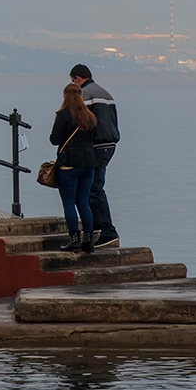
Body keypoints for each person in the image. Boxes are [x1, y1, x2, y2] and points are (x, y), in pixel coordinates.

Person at [70, 64, 120, 248]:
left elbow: (82, 123)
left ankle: (107, 231)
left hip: (96, 145)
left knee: (94, 188)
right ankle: (98, 227)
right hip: (110, 143)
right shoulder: (106, 93)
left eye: (73, 80)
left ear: (77, 78)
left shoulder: (85, 94)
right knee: (95, 186)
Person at [49, 83, 99, 253]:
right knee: (83, 202)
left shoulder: (63, 115)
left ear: (65, 96)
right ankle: (89, 241)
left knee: (69, 203)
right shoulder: (90, 116)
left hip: (69, 165)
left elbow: (54, 139)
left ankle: (75, 241)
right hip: (89, 164)